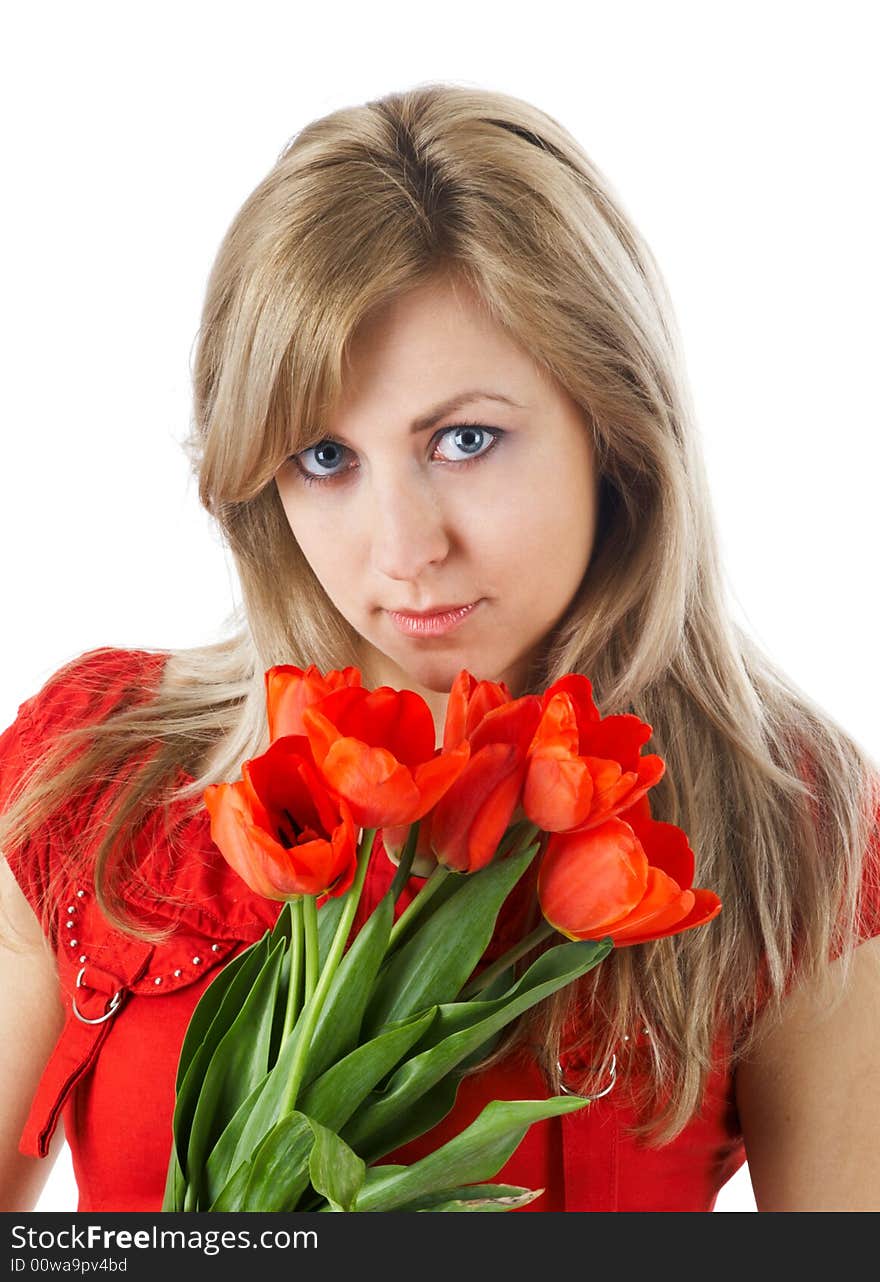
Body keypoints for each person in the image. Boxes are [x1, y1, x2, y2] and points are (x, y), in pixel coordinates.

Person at [2, 82, 879, 1215]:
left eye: (466, 439)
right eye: (325, 456)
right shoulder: (95, 772)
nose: (404, 549)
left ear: (614, 431)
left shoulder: (790, 822)